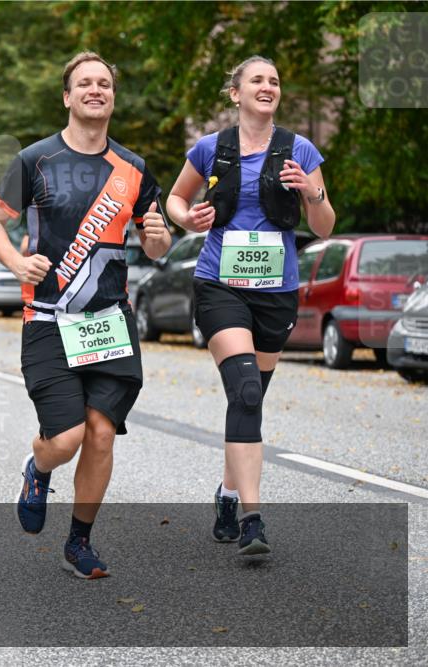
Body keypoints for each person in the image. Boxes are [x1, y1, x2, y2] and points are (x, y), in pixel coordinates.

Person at [0, 52, 171, 579]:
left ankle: (79, 543)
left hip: (109, 320)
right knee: (66, 439)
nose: (95, 89)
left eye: (104, 83)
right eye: (84, 83)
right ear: (67, 96)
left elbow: (157, 245)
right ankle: (38, 469)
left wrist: (158, 239)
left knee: (102, 433)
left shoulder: (133, 169)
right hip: (48, 320)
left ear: (112, 96)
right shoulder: (35, 160)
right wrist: (17, 261)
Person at [167, 55, 334, 556]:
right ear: (235, 93)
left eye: (275, 81)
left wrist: (313, 191)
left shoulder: (299, 149)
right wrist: (187, 219)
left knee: (250, 400)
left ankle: (227, 491)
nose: (268, 87)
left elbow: (325, 226)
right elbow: (176, 199)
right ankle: (253, 520)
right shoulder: (210, 149)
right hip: (220, 285)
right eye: (257, 80)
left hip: (276, 291)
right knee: (243, 388)